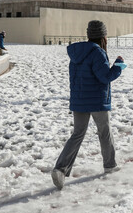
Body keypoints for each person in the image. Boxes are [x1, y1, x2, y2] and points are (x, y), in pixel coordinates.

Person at [51, 20, 125, 190]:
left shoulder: (77, 53)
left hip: (79, 100)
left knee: (77, 135)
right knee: (104, 132)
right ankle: (110, 165)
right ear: (103, 37)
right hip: (97, 99)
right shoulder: (97, 53)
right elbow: (105, 77)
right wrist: (118, 66)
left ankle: (60, 169)